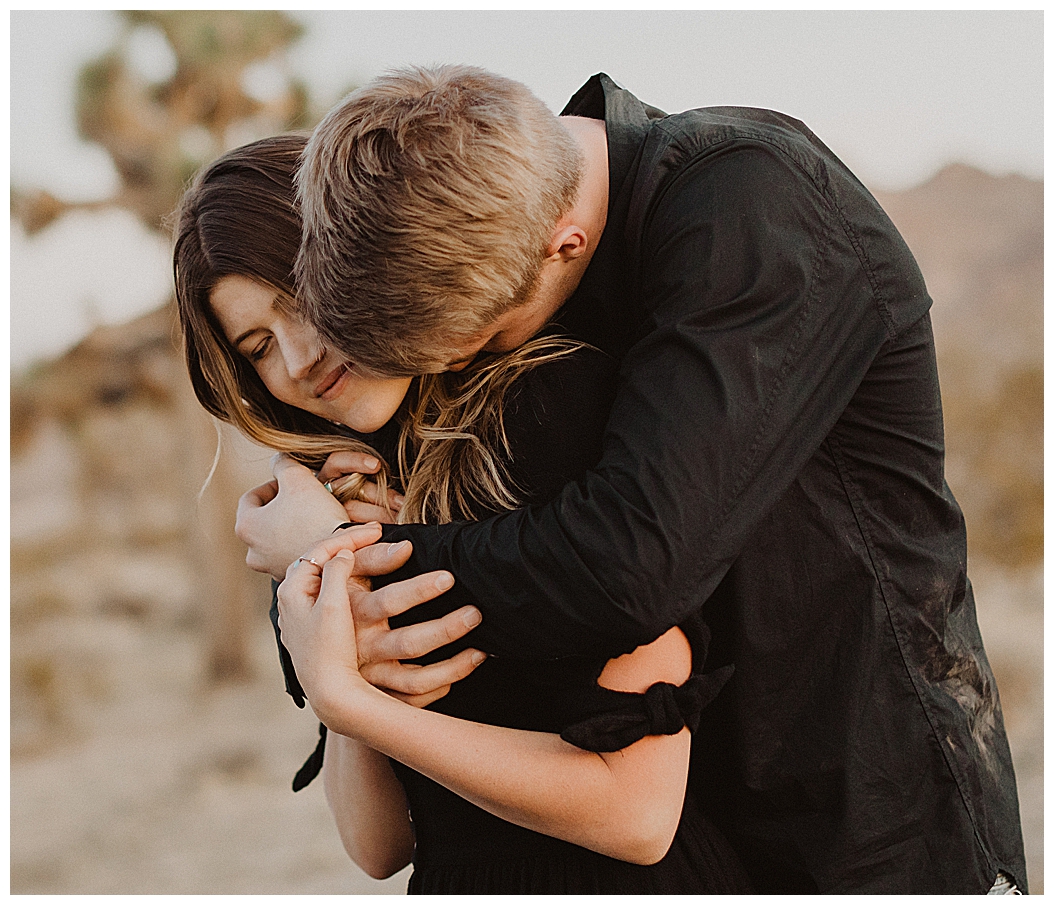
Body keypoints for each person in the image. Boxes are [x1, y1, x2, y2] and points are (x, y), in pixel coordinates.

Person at [236, 66, 1027, 893]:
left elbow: (628, 561)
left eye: (480, 344)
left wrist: (342, 561)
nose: (479, 367)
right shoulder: (501, 233)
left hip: (871, 825)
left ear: (564, 243)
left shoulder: (757, 209)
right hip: (715, 828)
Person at [171, 134, 755, 894]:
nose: (298, 357)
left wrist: (347, 684)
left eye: (303, 298)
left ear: (366, 255)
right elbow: (378, 843)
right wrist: (339, 579)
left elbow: (637, 814)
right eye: (257, 346)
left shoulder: (556, 406)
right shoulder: (331, 510)